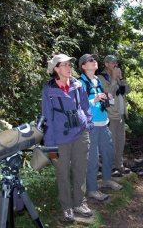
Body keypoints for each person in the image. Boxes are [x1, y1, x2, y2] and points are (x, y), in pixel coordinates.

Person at [42, 54, 94, 222]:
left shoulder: (77, 85)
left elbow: (86, 106)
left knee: (80, 170)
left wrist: (88, 124)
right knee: (62, 173)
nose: (68, 67)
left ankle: (80, 203)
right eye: (64, 65)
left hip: (80, 134)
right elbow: (47, 118)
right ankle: (67, 207)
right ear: (56, 68)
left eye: (69, 64)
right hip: (60, 138)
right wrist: (50, 147)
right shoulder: (49, 90)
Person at [78, 53, 122, 202]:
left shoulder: (97, 80)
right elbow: (78, 105)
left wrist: (107, 97)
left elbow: (102, 98)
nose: (94, 61)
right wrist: (95, 99)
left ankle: (107, 179)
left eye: (95, 59)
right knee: (93, 159)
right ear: (83, 66)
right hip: (91, 126)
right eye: (90, 60)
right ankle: (92, 190)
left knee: (109, 153)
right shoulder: (80, 83)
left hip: (104, 122)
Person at [98, 55, 131, 177]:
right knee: (111, 142)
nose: (115, 65)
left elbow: (127, 90)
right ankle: (111, 167)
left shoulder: (117, 77)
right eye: (112, 63)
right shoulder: (102, 78)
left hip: (121, 114)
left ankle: (119, 165)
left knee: (121, 141)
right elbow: (106, 93)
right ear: (106, 64)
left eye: (116, 63)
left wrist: (121, 79)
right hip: (110, 115)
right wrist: (113, 78)